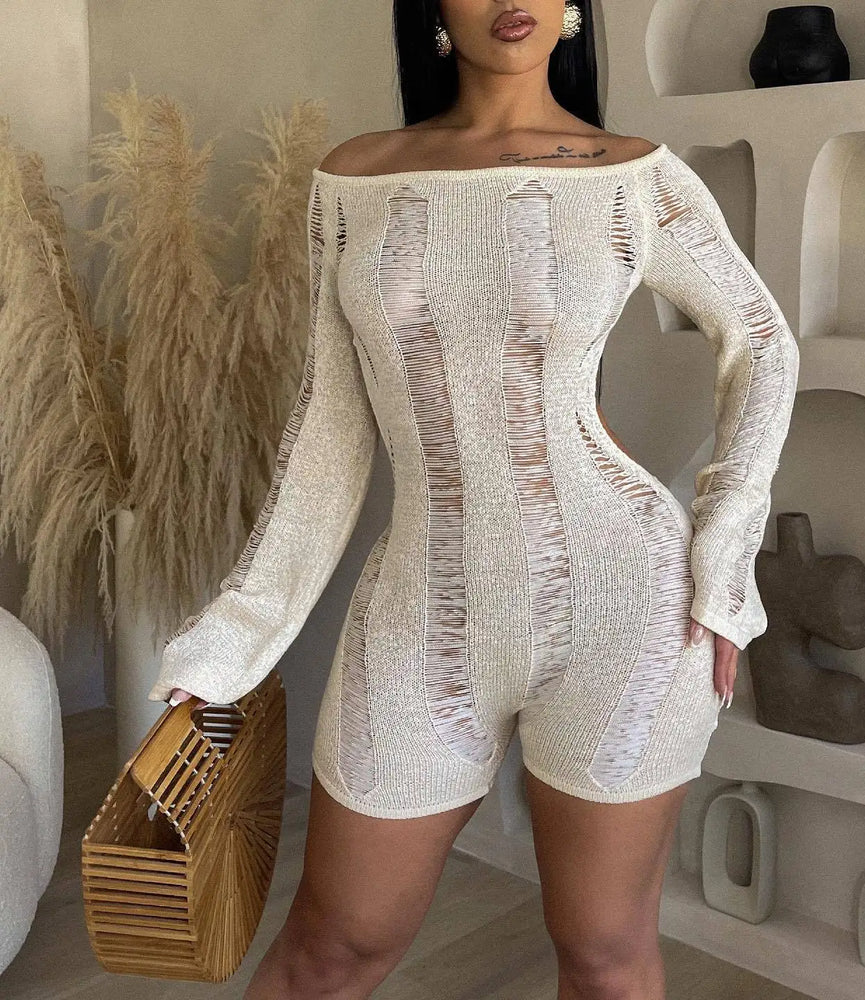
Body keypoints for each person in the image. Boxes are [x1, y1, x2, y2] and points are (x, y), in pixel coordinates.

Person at [149, 1, 800, 997]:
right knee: (330, 950)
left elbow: (761, 344)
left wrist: (724, 555)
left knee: (605, 956)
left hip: (626, 608)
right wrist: (234, 639)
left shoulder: (633, 175)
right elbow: (329, 425)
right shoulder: (355, 178)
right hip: (420, 614)